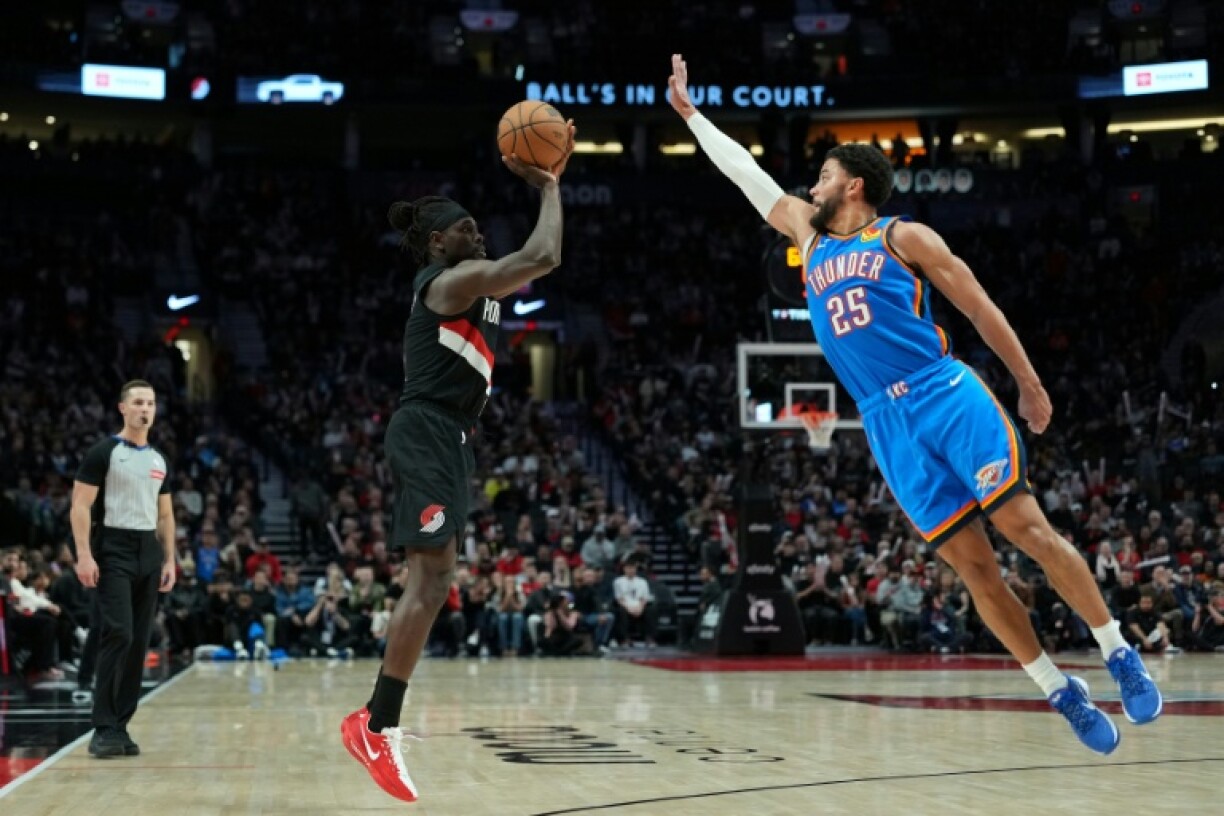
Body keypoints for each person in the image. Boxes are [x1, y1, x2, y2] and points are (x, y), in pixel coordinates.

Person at [668, 53, 1161, 755]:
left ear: (854, 185)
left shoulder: (903, 236)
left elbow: (982, 308)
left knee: (1026, 529)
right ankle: (1060, 690)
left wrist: (1030, 381)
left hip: (944, 393)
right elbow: (745, 175)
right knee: (975, 571)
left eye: (825, 174)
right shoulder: (806, 239)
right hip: (884, 421)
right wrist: (692, 117)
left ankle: (1117, 650)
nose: (812, 183)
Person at [340, 122, 575, 803]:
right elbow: (546, 253)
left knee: (438, 578)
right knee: (433, 573)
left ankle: (376, 721)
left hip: (450, 436)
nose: (477, 234)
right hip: (426, 429)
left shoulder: (472, 286)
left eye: (477, 228)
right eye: (466, 228)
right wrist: (551, 184)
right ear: (439, 241)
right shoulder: (448, 281)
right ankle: (375, 722)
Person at [70, 379, 176, 759]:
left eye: (150, 403)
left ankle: (121, 725)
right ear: (123, 408)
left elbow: (165, 514)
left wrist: (169, 558)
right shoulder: (104, 452)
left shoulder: (159, 459)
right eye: (137, 402)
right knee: (119, 632)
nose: (145, 409)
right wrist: (84, 555)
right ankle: (102, 726)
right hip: (112, 546)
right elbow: (79, 506)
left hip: (148, 548)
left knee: (139, 639)